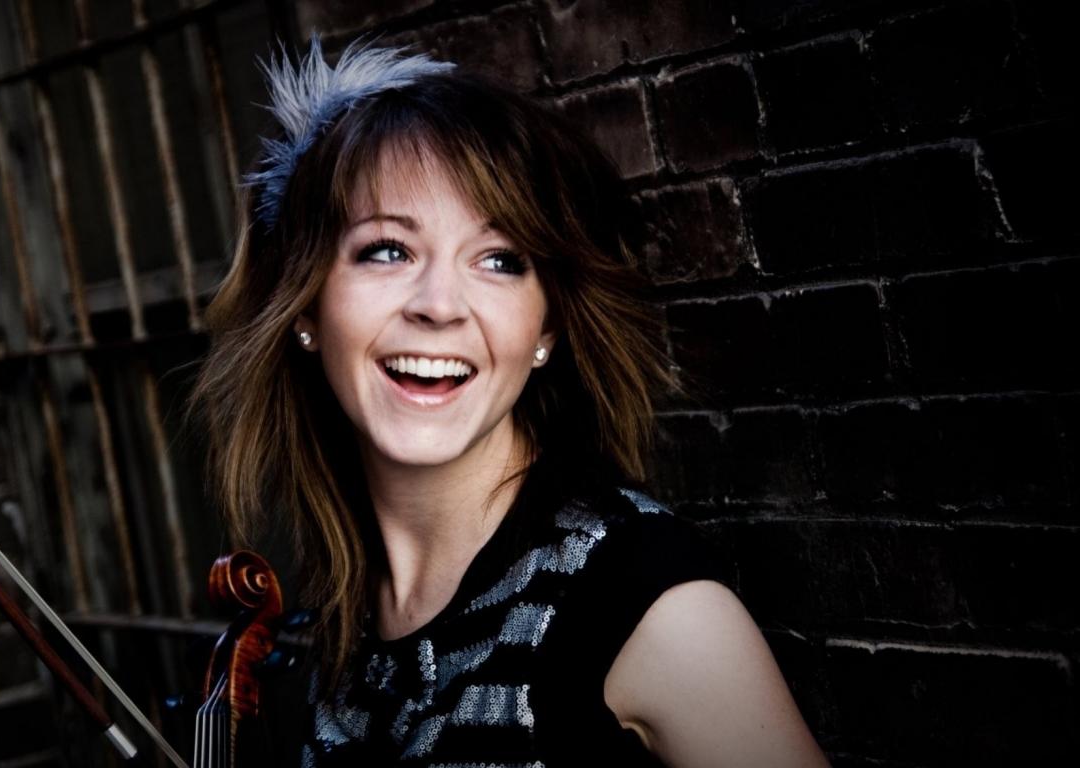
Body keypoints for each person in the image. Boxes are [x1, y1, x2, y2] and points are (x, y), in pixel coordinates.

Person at [191, 38, 828, 767]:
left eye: (499, 260)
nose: (439, 305)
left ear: (546, 329)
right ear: (306, 307)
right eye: (387, 250)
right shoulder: (333, 631)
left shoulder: (649, 604)